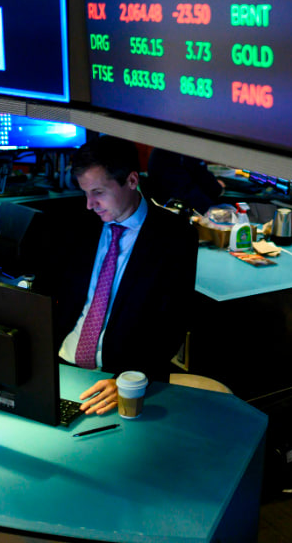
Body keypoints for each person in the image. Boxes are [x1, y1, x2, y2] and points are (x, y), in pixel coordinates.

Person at [39, 136, 198, 415]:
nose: (90, 204)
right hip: (60, 363)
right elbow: (46, 292)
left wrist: (131, 379)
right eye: (85, 193)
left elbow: (172, 325)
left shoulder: (175, 236)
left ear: (132, 180)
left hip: (122, 378)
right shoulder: (74, 223)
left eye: (98, 192)